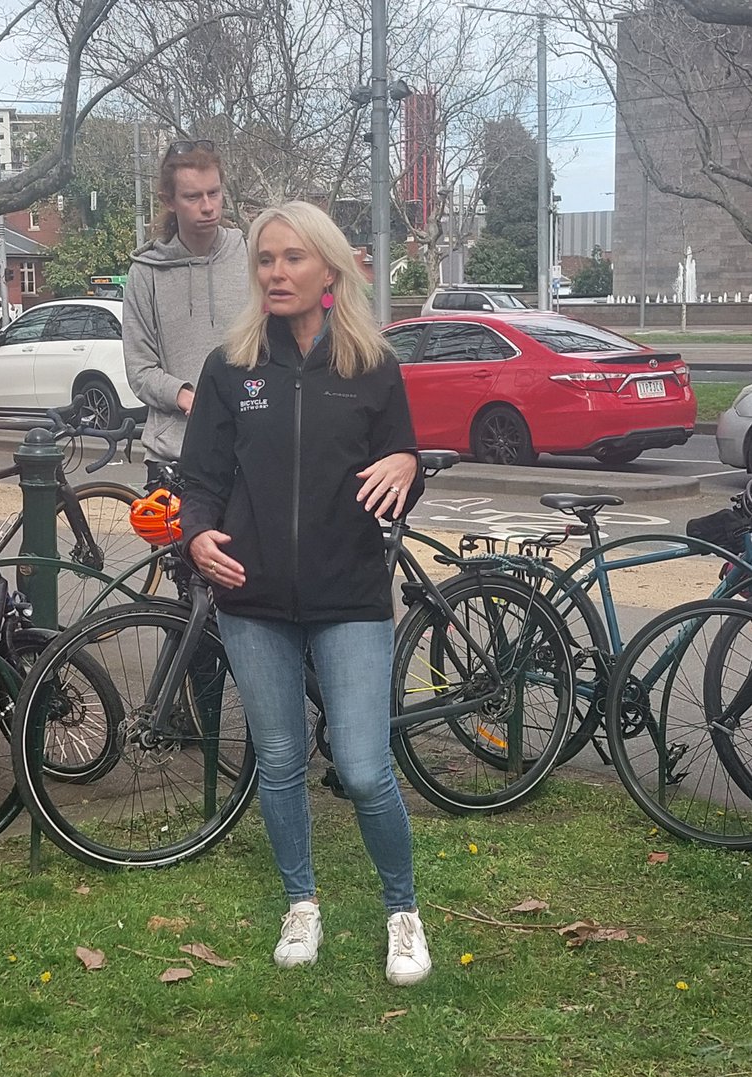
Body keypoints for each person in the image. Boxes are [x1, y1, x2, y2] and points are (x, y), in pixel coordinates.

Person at [179, 201, 432, 986]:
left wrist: (408, 467)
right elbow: (202, 477)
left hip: (349, 594)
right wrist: (195, 535)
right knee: (281, 759)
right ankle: (303, 903)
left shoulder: (371, 364)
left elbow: (397, 459)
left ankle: (402, 912)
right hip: (251, 596)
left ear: (328, 269)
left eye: (293, 258)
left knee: (362, 766)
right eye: (265, 260)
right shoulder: (232, 367)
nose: (277, 272)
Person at [122, 141, 247, 489]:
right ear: (168, 201)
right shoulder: (145, 272)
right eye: (193, 197)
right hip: (172, 457)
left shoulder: (250, 254)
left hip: (247, 454)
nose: (208, 207)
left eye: (214, 193)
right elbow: (140, 370)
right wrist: (188, 397)